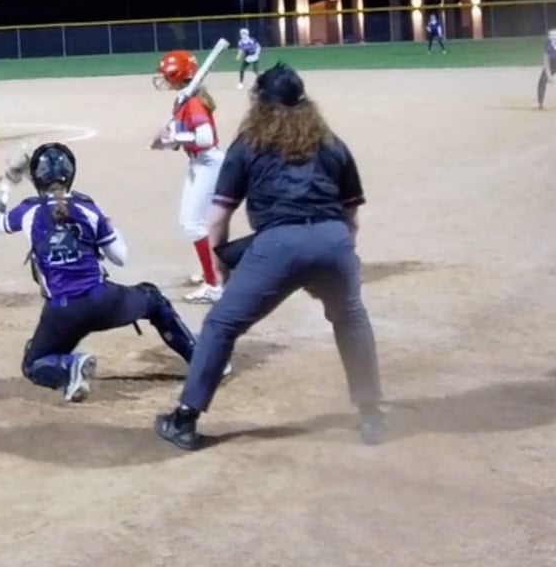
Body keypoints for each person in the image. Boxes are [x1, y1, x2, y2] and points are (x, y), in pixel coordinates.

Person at [155, 63, 385, 451]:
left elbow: (218, 218)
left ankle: (184, 419)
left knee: (221, 325)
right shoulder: (331, 143)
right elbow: (351, 216)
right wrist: (335, 259)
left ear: (260, 103)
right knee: (351, 318)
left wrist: (220, 266)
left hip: (277, 245)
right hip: (332, 239)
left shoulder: (249, 144)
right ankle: (371, 415)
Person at [0, 142, 206, 402]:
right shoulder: (87, 208)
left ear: (36, 178)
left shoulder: (29, 210)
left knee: (34, 363)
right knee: (153, 299)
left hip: (61, 313)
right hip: (103, 302)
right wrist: (108, 230)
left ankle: (68, 367)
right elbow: (120, 258)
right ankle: (203, 363)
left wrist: (6, 183)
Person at [151, 49, 226, 303]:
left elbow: (205, 139)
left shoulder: (193, 102)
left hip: (209, 163)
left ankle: (214, 285)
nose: (163, 79)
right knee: (189, 221)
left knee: (195, 224)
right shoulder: (183, 100)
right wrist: (165, 142)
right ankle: (212, 271)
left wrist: (174, 136)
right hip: (197, 164)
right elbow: (181, 138)